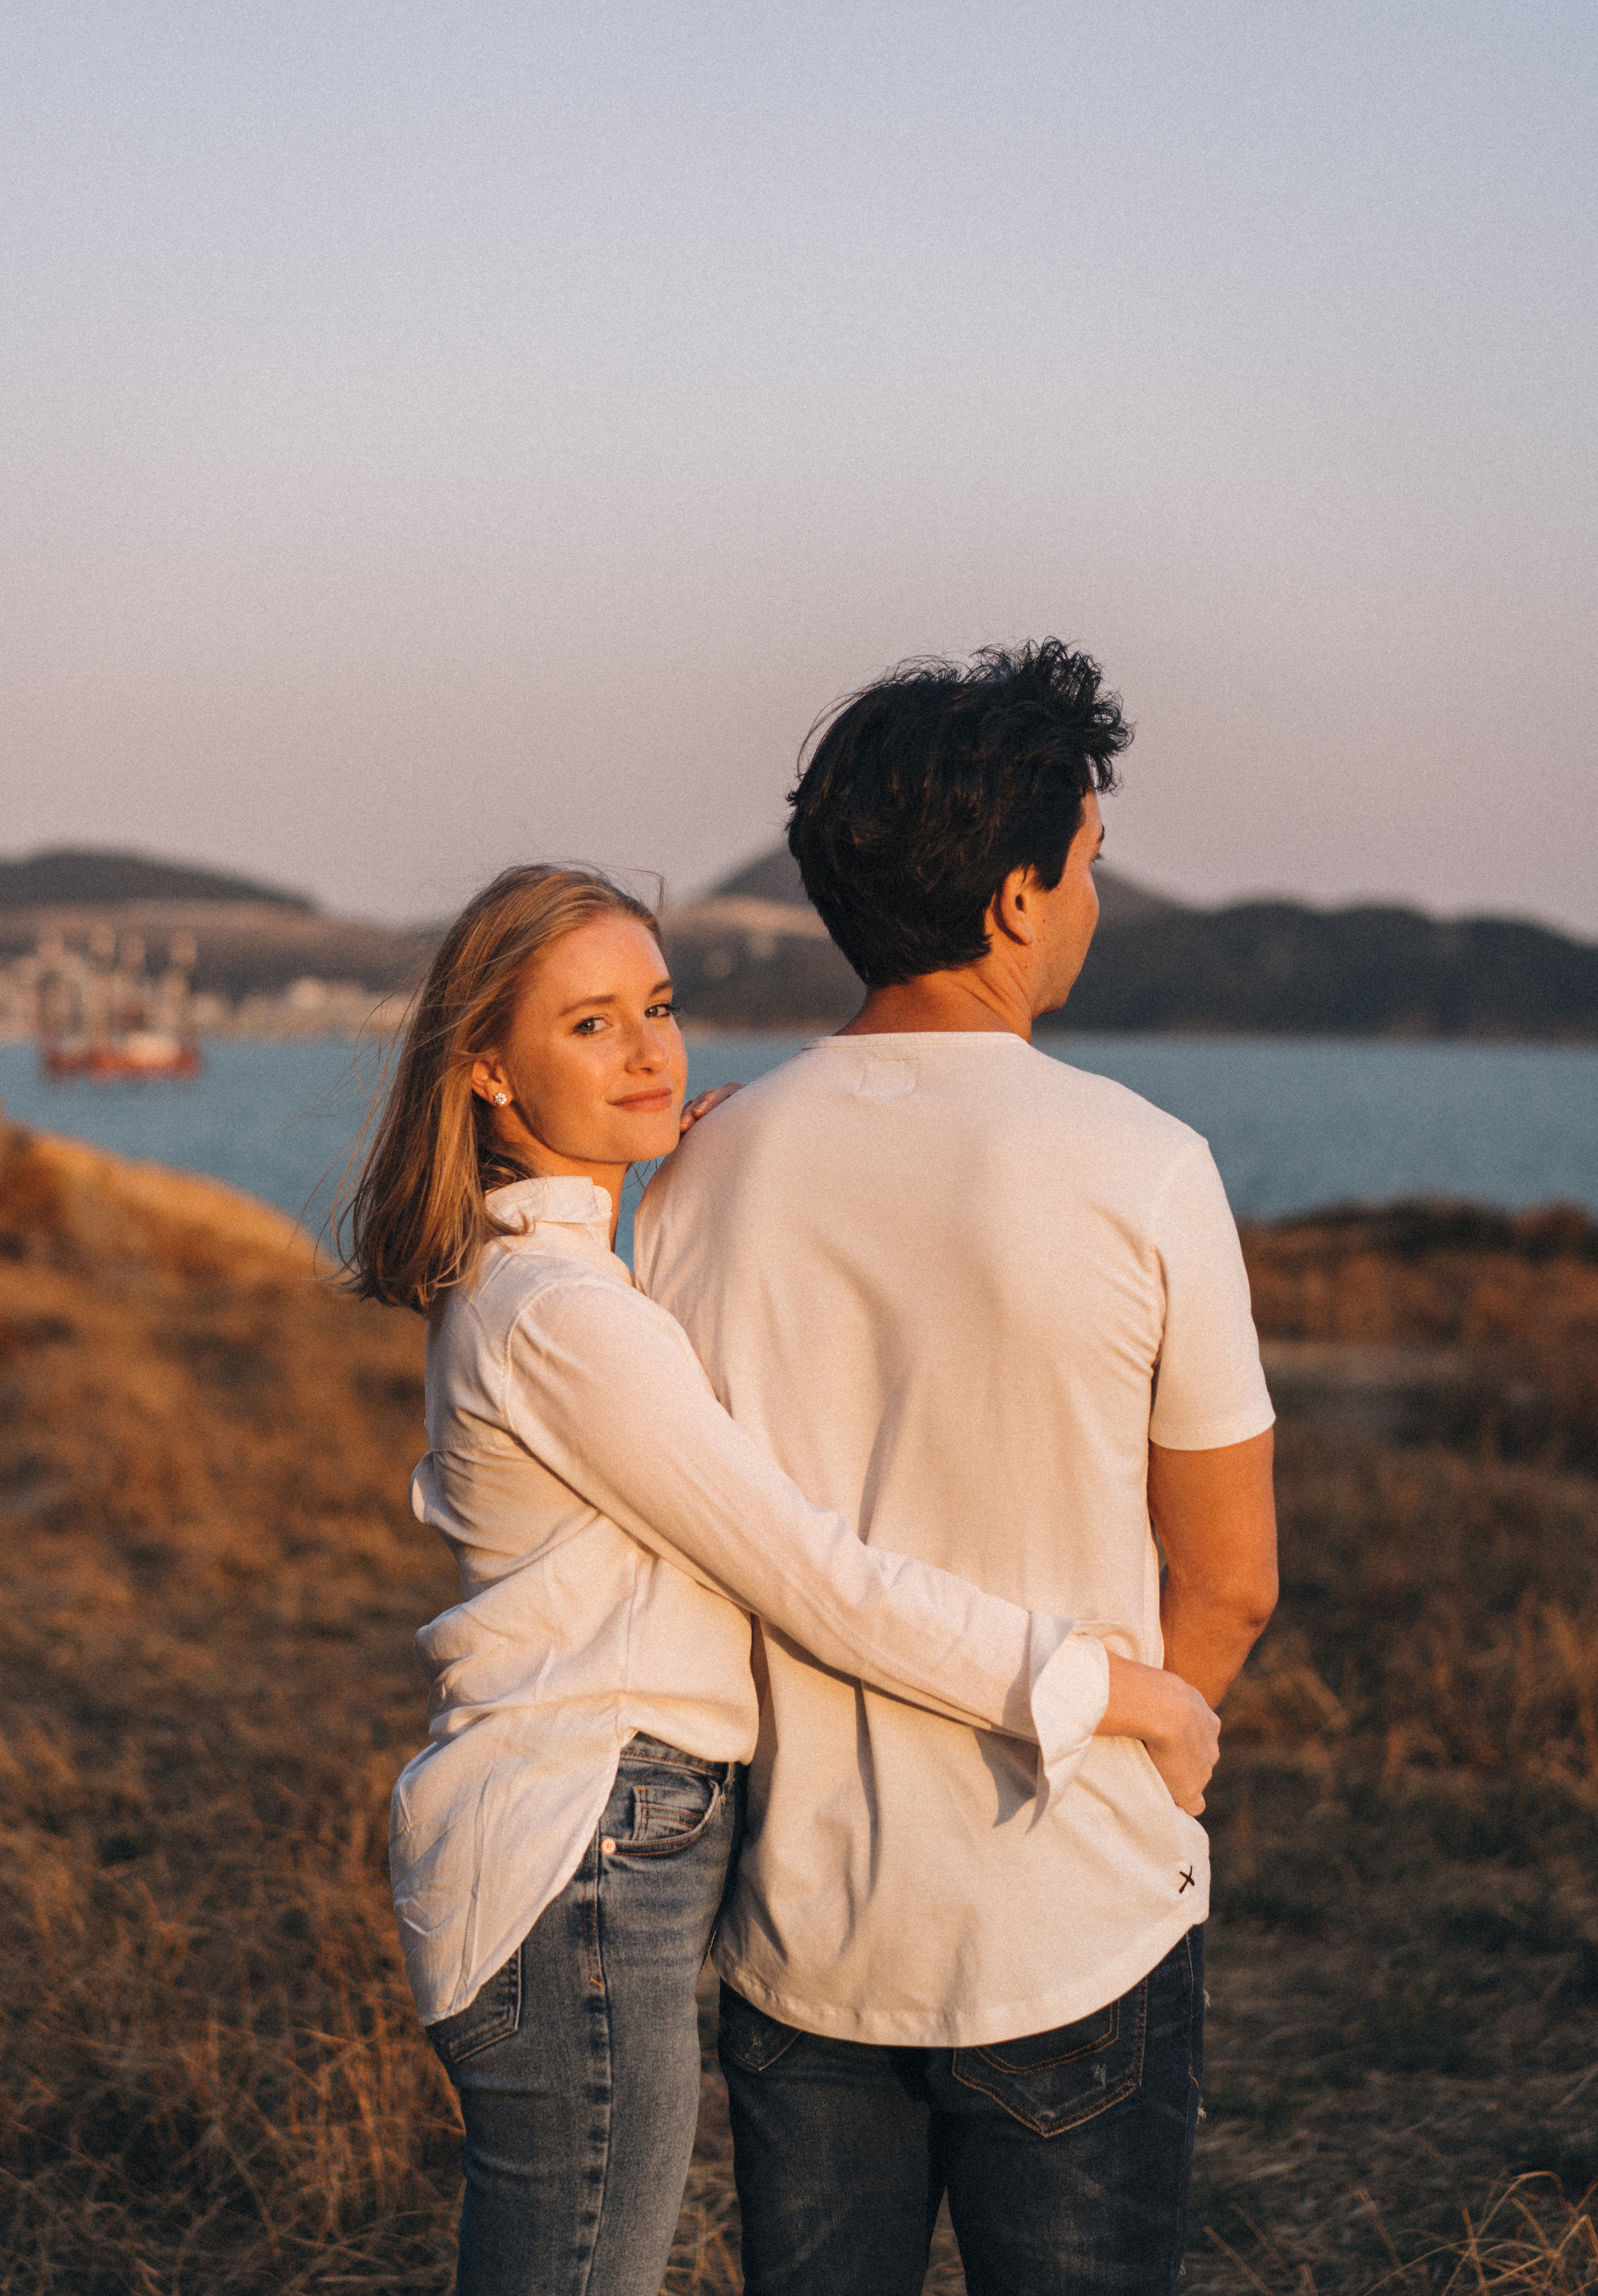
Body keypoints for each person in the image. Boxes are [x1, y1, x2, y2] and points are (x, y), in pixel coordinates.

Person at [341, 861, 1219, 2296]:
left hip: (579, 1847)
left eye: (660, 1008)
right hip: (583, 1856)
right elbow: (822, 1584)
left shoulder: (553, 1283)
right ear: (488, 1070)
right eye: (589, 1026)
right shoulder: (566, 1318)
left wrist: (675, 1168)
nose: (646, 1052)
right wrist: (1122, 1692)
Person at [636, 643, 1280, 2296]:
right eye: (1082, 870)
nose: (1089, 907)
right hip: (1065, 1915)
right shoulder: (1143, 1166)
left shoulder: (704, 1175)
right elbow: (1228, 1579)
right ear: (1011, 899)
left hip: (799, 1931)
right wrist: (1139, 1761)